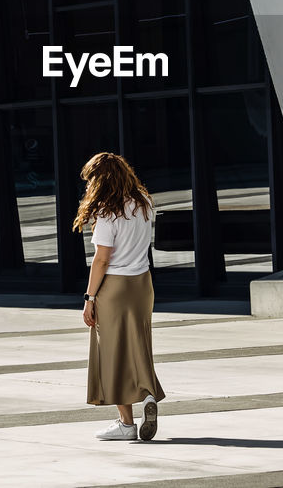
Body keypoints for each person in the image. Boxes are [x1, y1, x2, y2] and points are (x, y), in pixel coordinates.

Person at [74, 152, 166, 441]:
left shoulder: (106, 212)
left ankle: (126, 424)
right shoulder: (144, 202)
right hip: (142, 283)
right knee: (139, 345)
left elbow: (101, 260)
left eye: (90, 179)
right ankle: (148, 395)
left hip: (114, 287)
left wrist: (89, 298)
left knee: (112, 354)